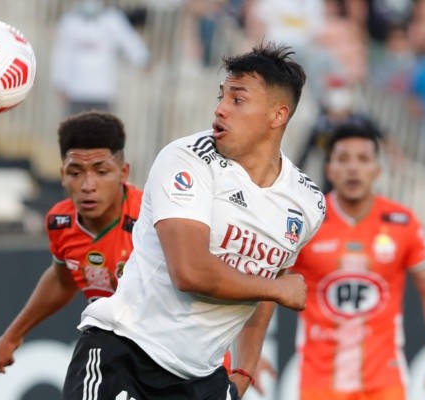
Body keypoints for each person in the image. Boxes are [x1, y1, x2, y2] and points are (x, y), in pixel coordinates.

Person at [61, 42, 326, 400]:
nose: (220, 109)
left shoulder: (307, 202)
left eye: (237, 99)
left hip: (203, 381)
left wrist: (244, 371)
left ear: (277, 116)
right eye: (221, 96)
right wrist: (277, 290)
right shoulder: (187, 160)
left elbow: (263, 287)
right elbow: (191, 273)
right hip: (126, 355)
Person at [291, 123, 425, 400]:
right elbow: (268, 287)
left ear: (377, 169)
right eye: (343, 159)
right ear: (329, 169)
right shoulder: (306, 223)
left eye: (363, 159)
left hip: (385, 384)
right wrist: (253, 356)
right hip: (319, 385)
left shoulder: (403, 222)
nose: (353, 168)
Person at [0, 110, 143, 373]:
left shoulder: (151, 221)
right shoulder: (61, 221)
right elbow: (62, 281)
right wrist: (12, 336)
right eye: (75, 172)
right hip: (114, 348)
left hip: (166, 353)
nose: (88, 185)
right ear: (62, 175)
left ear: (123, 172)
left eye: (102, 171)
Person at [50, 0, 150, 116]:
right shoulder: (69, 22)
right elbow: (61, 55)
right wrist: (60, 82)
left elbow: (129, 41)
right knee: (76, 125)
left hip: (103, 91)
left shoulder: (112, 20)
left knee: (102, 125)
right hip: (76, 92)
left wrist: (143, 59)